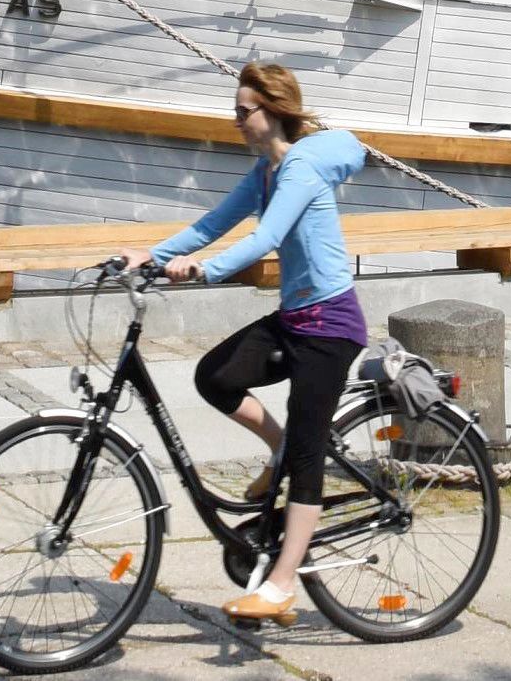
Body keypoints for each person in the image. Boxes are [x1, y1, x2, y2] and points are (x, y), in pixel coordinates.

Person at [141, 60, 371, 627]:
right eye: (235, 111)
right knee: (215, 376)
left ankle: (282, 584)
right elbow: (210, 224)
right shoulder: (265, 173)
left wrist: (205, 273)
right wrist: (148, 255)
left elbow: (265, 238)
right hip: (295, 317)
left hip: (331, 328)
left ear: (272, 112)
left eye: (243, 111)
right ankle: (279, 447)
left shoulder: (298, 172)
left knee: (309, 456)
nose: (236, 120)